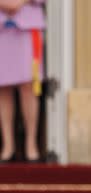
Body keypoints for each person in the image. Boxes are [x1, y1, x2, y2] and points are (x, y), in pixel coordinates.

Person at [0, 0, 45, 163]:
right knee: (3, 87)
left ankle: (31, 144)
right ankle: (7, 146)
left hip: (28, 26)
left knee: (28, 85)